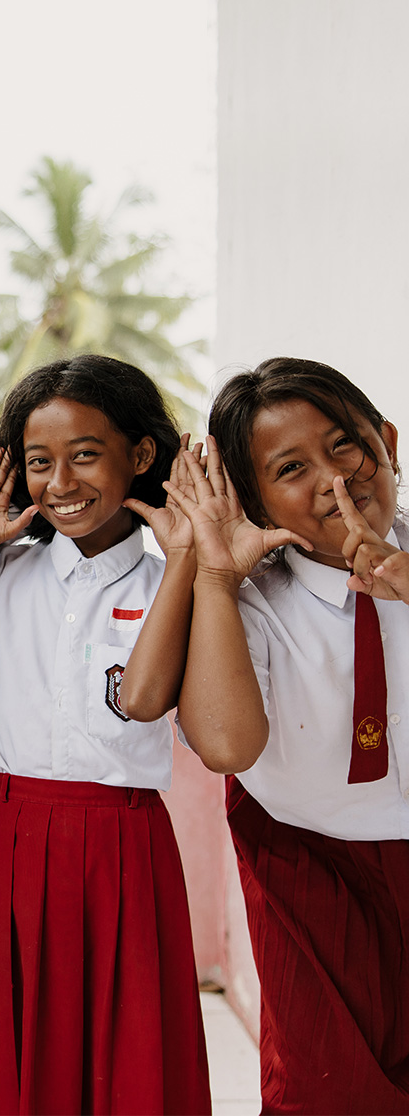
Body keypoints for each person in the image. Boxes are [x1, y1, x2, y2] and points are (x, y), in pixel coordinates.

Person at [0, 354, 211, 1114]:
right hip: (9, 836)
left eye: (85, 455)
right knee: (20, 1049)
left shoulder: (173, 581)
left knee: (128, 1056)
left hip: (125, 843)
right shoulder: (1, 572)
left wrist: (184, 563)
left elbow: (144, 702)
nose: (62, 484)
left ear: (141, 455)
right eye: (40, 462)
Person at [169, 356, 409, 1113]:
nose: (336, 478)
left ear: (390, 442)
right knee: (325, 1087)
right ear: (254, 497)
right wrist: (215, 577)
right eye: (291, 468)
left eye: (347, 445)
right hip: (312, 867)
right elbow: (228, 748)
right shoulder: (249, 603)